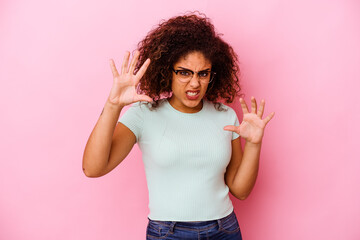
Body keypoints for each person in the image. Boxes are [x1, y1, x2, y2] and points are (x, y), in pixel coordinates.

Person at [82, 12, 274, 240]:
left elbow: (240, 190)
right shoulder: (144, 115)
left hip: (224, 229)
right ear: (167, 71)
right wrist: (113, 105)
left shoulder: (225, 116)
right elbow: (93, 168)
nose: (195, 83)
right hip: (168, 233)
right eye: (184, 73)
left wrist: (254, 144)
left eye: (203, 74)